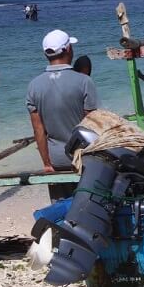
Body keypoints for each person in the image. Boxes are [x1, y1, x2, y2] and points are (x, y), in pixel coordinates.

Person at [26, 29, 98, 199]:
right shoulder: (84, 82)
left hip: (55, 159)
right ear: (68, 50)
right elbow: (93, 123)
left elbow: (38, 130)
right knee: (88, 205)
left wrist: (46, 163)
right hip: (84, 157)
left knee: (60, 208)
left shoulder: (34, 86)